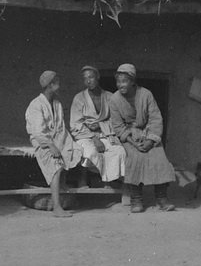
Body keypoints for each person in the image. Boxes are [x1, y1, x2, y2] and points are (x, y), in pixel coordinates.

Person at [109, 63, 176, 213]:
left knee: (159, 156)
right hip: (129, 137)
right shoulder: (114, 100)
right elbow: (118, 126)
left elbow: (155, 119)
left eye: (124, 81)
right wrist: (133, 143)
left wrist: (150, 141)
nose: (121, 85)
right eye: (118, 81)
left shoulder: (146, 94)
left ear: (133, 81)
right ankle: (136, 200)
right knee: (133, 157)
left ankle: (162, 198)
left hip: (147, 134)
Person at [25, 71, 82, 217]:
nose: (59, 85)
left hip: (58, 136)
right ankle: (57, 207)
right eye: (57, 82)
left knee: (71, 150)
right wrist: (51, 146)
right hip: (42, 140)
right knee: (55, 161)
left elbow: (60, 126)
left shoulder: (57, 102)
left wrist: (63, 142)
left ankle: (61, 186)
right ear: (50, 85)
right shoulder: (36, 104)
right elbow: (38, 132)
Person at [70, 65, 126, 186]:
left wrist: (100, 125)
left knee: (119, 151)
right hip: (85, 135)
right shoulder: (79, 98)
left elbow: (117, 120)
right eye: (85, 79)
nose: (88, 81)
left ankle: (109, 180)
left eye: (91, 77)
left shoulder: (110, 97)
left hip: (106, 133)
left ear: (98, 77)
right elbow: (76, 123)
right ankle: (83, 178)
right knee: (90, 153)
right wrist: (94, 138)